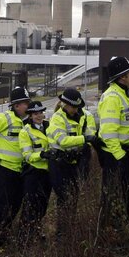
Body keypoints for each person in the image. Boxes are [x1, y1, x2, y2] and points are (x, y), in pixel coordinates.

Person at [97, 56, 129, 227]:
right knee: (113, 197)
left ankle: (121, 228)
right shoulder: (112, 97)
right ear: (123, 77)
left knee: (128, 194)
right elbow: (108, 132)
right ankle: (108, 233)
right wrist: (120, 157)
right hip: (117, 156)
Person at [46, 88, 97, 239]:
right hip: (59, 163)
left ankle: (68, 229)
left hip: (73, 162)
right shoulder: (57, 118)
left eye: (77, 107)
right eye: (73, 107)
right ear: (65, 104)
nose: (76, 109)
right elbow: (63, 141)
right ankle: (61, 233)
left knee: (73, 197)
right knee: (64, 198)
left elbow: (88, 133)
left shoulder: (80, 116)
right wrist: (84, 139)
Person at [0, 86, 30, 246]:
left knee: (15, 206)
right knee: (1, 207)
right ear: (16, 105)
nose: (27, 106)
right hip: (3, 171)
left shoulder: (24, 122)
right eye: (25, 103)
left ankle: (3, 235)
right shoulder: (5, 118)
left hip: (18, 171)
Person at [18, 100, 52, 242]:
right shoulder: (25, 131)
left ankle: (36, 230)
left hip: (48, 173)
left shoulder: (49, 127)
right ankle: (24, 236)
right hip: (33, 173)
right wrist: (42, 155)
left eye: (41, 113)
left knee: (43, 205)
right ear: (30, 115)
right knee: (30, 205)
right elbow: (27, 155)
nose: (39, 116)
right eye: (35, 113)